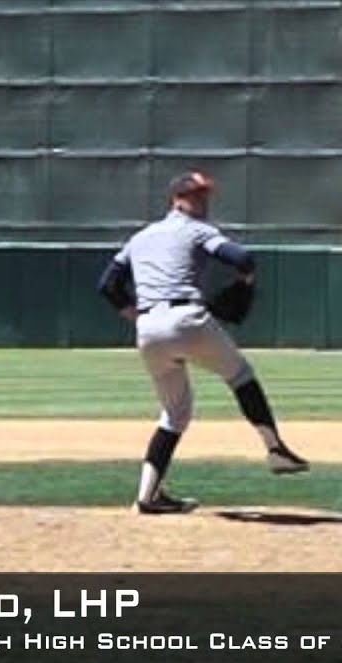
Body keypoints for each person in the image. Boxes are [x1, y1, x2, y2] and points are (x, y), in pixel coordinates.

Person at [98, 171, 309, 515]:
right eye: (195, 195)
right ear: (177, 200)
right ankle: (275, 450)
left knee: (174, 413)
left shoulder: (141, 237)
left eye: (204, 195)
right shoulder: (197, 230)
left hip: (149, 329)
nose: (203, 201)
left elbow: (107, 284)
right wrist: (247, 281)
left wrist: (135, 315)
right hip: (187, 319)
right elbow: (242, 259)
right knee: (240, 376)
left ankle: (147, 496)